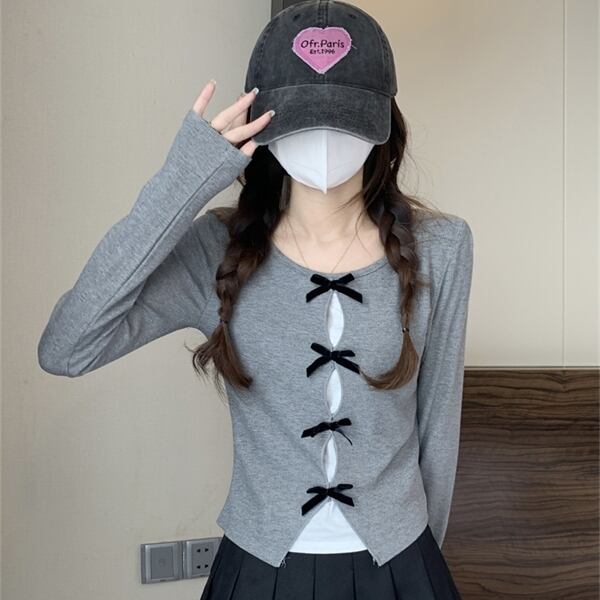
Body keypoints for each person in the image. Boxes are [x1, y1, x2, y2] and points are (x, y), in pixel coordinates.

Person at [38, 2, 473, 598]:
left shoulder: (443, 246)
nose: (325, 139)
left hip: (402, 562)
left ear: (383, 123)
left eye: (345, 117)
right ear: (261, 122)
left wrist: (418, 565)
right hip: (259, 567)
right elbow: (66, 347)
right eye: (304, 117)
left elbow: (439, 427)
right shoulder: (216, 249)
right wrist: (186, 178)